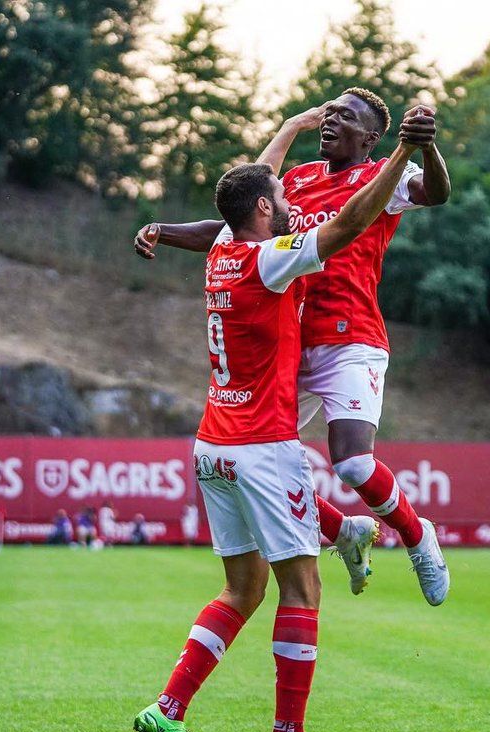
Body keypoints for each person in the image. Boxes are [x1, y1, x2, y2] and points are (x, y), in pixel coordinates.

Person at [134, 128, 421, 732]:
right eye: (280, 195)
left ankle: (168, 708)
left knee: (243, 588)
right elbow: (347, 224)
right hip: (264, 446)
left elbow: (251, 187)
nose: (291, 196)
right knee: (303, 586)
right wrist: (397, 156)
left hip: (213, 445)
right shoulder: (269, 259)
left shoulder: (223, 250)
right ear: (265, 209)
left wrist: (289, 128)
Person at [135, 88, 451, 605]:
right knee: (266, 458)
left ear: (371, 138)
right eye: (328, 114)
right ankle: (347, 533)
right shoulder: (298, 180)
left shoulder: (381, 178)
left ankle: (419, 538)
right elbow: (236, 224)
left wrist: (426, 148)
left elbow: (435, 193)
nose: (330, 122)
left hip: (351, 340)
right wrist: (163, 231)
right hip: (292, 344)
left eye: (344, 118)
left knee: (351, 464)